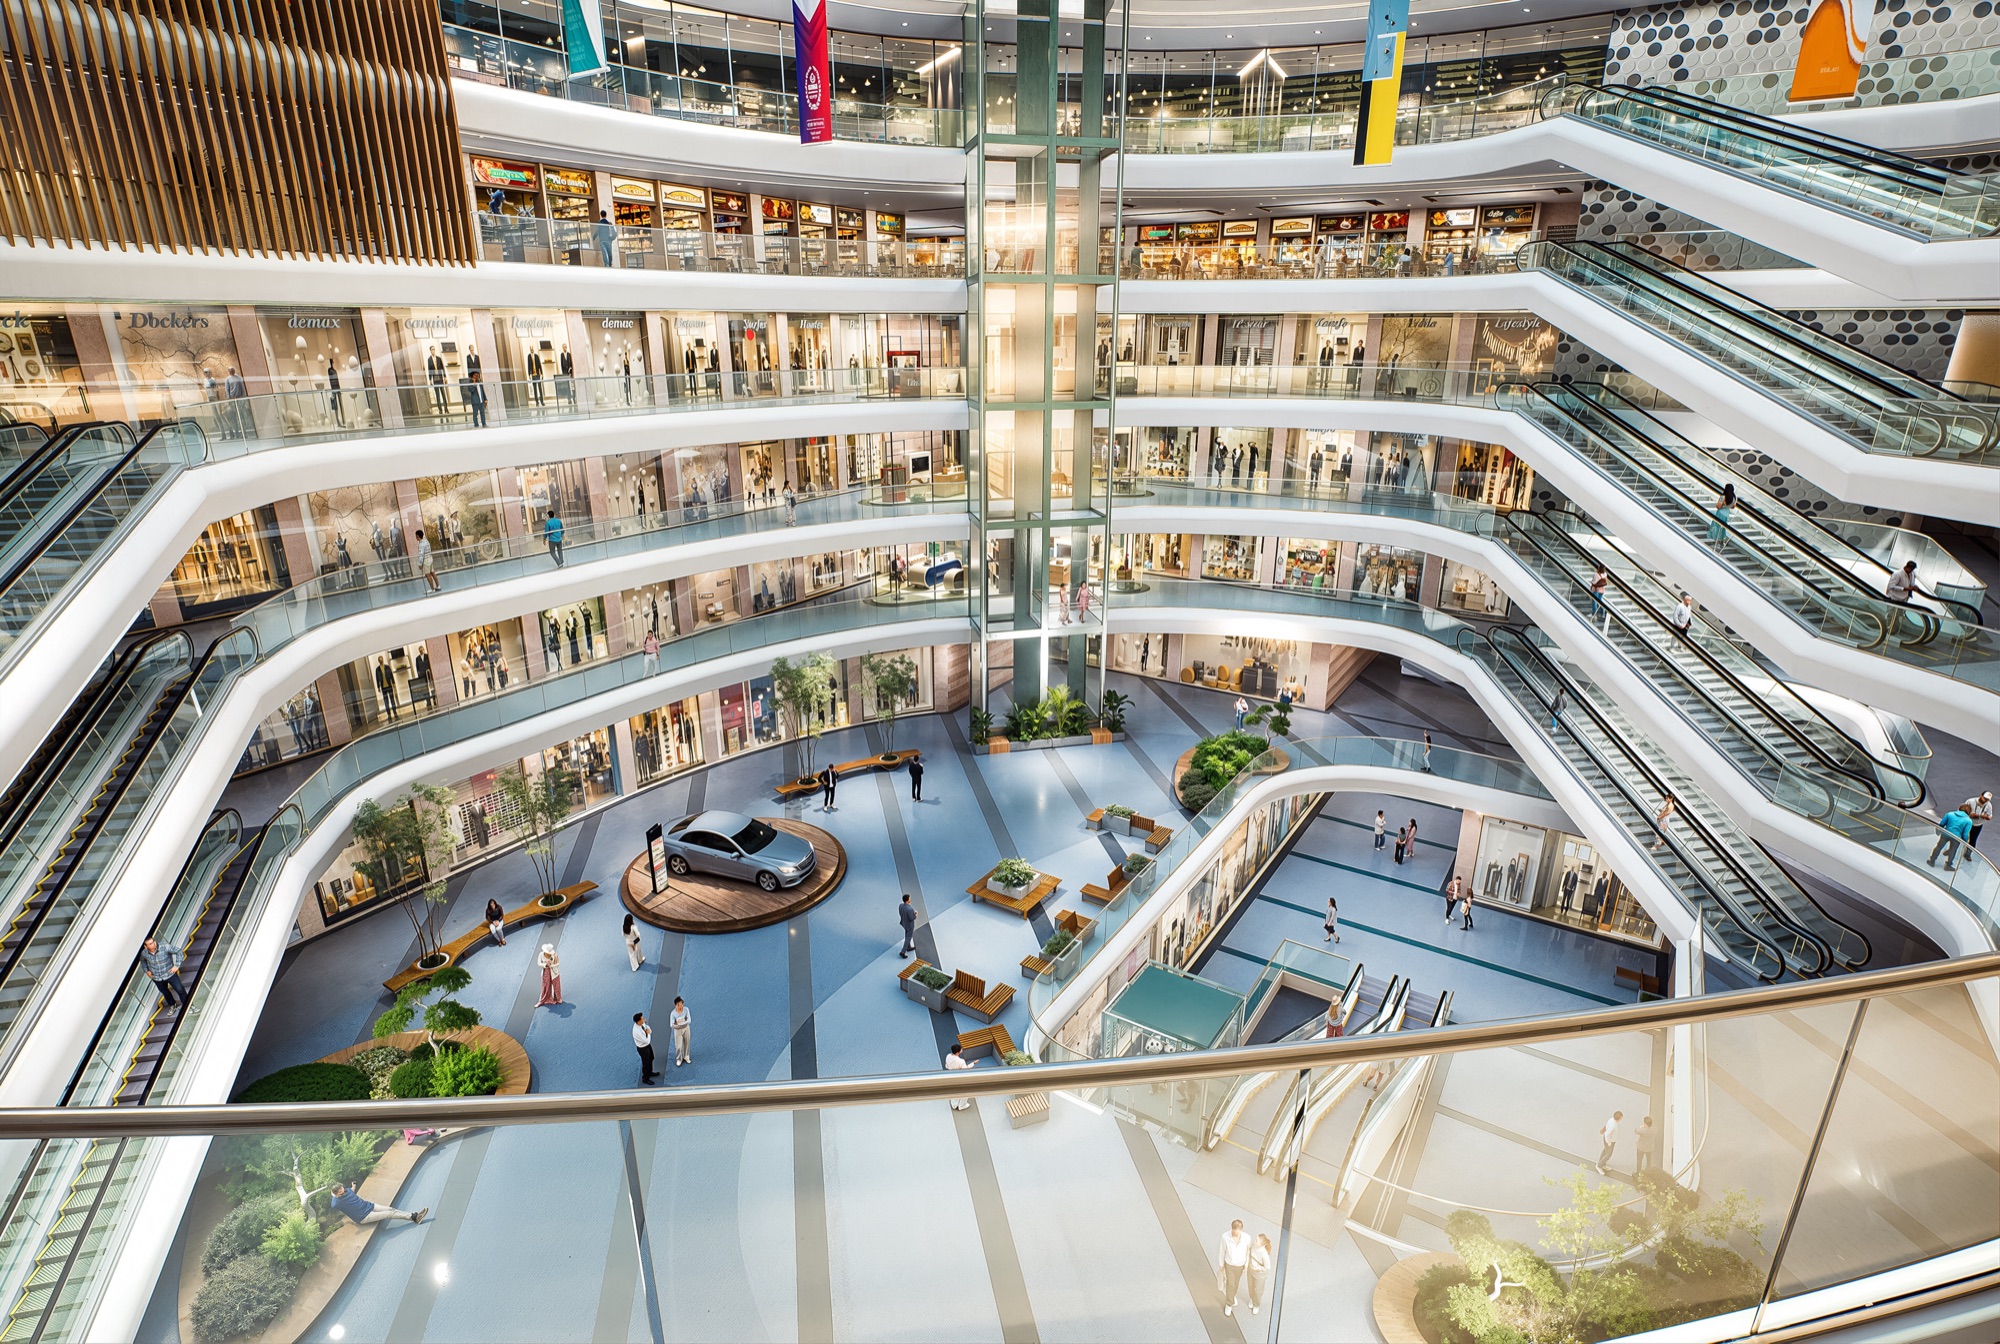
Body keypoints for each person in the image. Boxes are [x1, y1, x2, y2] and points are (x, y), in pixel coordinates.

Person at [328, 1182, 426, 1226]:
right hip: (364, 1216)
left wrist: (353, 1185)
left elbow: (352, 1191)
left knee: (390, 1209)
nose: (343, 1189)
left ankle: (413, 1217)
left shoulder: (347, 1190)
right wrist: (334, 1195)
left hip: (369, 1205)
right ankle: (414, 1217)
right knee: (389, 1214)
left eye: (342, 1187)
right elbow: (332, 1205)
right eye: (340, 1189)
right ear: (337, 1193)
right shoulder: (337, 1202)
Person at [138, 937, 186, 1008]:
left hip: (170, 974)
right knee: (165, 993)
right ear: (146, 946)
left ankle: (188, 1005)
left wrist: (177, 965)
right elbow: (143, 961)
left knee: (180, 989)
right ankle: (173, 1005)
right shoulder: (144, 953)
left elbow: (179, 951)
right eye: (150, 944)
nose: (153, 944)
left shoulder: (164, 947)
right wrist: (147, 971)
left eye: (153, 942)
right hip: (157, 978)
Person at [1218, 1220, 1252, 1317]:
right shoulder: (1225, 1237)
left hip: (1240, 1265)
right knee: (1231, 1284)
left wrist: (1246, 1264)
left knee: (1236, 1284)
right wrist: (1221, 1264)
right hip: (1229, 1264)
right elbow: (1222, 1250)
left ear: (1241, 1230)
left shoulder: (1247, 1238)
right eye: (1233, 1232)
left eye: (1237, 1233)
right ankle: (1229, 1304)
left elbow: (1248, 1252)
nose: (1235, 1234)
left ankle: (1232, 1296)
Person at [1247, 1233, 1274, 1316]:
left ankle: (1256, 1304)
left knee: (1258, 1290)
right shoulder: (1254, 1246)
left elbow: (1267, 1268)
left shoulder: (1264, 1254)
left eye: (1257, 1241)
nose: (1254, 1241)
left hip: (1260, 1274)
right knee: (1250, 1286)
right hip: (1251, 1270)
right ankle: (1252, 1298)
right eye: (1255, 1239)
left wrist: (1258, 1268)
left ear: (1262, 1244)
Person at [945, 1042, 974, 1110]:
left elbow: (946, 1066)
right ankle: (962, 1105)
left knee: (955, 1090)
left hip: (951, 1076)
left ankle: (954, 1104)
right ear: (958, 1052)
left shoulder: (948, 1056)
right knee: (965, 1091)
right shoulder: (961, 1061)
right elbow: (965, 1070)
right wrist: (972, 1064)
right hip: (959, 1078)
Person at [633, 1012, 658, 1084]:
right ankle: (645, 1079)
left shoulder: (641, 1024)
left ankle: (649, 1072)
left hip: (647, 1046)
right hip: (643, 1048)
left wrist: (648, 1031)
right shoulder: (636, 1031)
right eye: (642, 1018)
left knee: (651, 1058)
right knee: (646, 1063)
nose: (644, 1019)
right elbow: (647, 1041)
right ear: (639, 1021)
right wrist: (648, 1033)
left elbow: (647, 1027)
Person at [1597, 1110, 1624, 1175]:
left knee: (1605, 1151)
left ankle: (1603, 1164)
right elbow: (1607, 1134)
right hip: (1609, 1141)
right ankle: (1599, 1165)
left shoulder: (1611, 1119)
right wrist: (1609, 1142)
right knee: (1608, 1154)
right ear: (1619, 1118)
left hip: (1608, 1140)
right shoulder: (1614, 1125)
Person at [415, 527, 438, 593]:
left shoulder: (421, 544)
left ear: (417, 536)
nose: (416, 537)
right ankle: (438, 585)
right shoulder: (426, 541)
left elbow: (421, 554)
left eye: (416, 536)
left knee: (428, 575)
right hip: (430, 558)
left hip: (426, 560)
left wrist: (420, 564)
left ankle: (432, 589)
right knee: (433, 572)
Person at [670, 995, 692, 1064]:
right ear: (676, 1005)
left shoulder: (686, 1009)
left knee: (687, 1043)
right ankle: (679, 1059)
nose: (681, 1006)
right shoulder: (673, 1013)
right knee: (678, 1046)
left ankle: (686, 1056)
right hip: (678, 1031)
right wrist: (684, 1021)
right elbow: (672, 1025)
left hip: (686, 1028)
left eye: (682, 1004)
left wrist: (679, 1022)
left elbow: (689, 1020)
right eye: (679, 1005)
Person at [898, 893, 918, 958]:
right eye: (909, 899)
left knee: (906, 935)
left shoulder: (901, 906)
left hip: (904, 923)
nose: (910, 899)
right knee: (908, 937)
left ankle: (908, 947)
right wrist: (915, 915)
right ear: (907, 900)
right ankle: (903, 952)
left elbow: (901, 913)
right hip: (910, 925)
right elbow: (912, 918)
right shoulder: (910, 909)